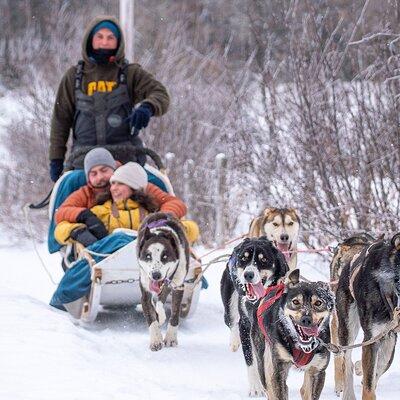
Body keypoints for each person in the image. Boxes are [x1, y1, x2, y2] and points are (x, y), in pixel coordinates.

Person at [49, 15, 170, 182]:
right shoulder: (73, 77)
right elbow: (60, 121)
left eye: (110, 37)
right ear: (90, 40)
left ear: (118, 42)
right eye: (99, 37)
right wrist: (56, 159)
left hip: (125, 162)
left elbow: (161, 94)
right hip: (83, 164)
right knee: (66, 202)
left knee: (158, 190)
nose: (104, 43)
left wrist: (147, 107)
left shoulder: (130, 73)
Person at [54, 149, 198, 246]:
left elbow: (174, 203)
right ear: (88, 177)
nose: (100, 177)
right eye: (94, 174)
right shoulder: (86, 194)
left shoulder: (137, 184)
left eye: (104, 170)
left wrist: (163, 219)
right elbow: (62, 213)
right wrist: (84, 217)